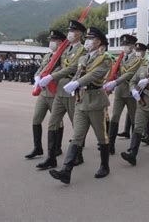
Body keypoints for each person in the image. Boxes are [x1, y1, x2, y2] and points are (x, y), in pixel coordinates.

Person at [49, 27, 112, 184]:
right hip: (81, 100)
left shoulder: (105, 58)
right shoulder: (83, 58)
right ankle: (66, 171)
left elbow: (95, 75)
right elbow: (78, 73)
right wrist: (72, 84)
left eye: (91, 38)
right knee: (77, 136)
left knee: (101, 136)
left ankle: (105, 166)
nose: (88, 41)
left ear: (99, 42)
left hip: (96, 101)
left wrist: (77, 82)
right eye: (88, 38)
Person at [36, 20, 86, 170]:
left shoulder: (82, 51)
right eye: (69, 30)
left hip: (70, 91)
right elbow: (56, 64)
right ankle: (51, 157)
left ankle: (78, 155)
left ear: (79, 34)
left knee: (76, 124)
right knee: (53, 123)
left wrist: (52, 77)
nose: (70, 33)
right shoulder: (65, 49)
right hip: (59, 91)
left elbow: (71, 68)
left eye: (73, 30)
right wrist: (42, 74)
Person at [25, 30, 66, 159]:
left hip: (55, 93)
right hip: (44, 93)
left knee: (57, 122)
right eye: (51, 40)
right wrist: (36, 76)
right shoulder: (48, 56)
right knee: (36, 119)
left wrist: (49, 77)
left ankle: (57, 148)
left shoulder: (63, 57)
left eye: (54, 40)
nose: (51, 42)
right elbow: (40, 68)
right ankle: (37, 148)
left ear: (60, 42)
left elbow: (62, 70)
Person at [103, 34, 142, 155]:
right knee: (115, 117)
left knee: (134, 118)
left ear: (132, 46)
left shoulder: (137, 59)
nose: (124, 47)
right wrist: (109, 82)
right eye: (123, 44)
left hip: (131, 92)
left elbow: (129, 74)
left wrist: (115, 82)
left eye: (127, 44)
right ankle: (111, 145)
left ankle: (133, 148)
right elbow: (115, 72)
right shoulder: (120, 58)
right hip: (120, 92)